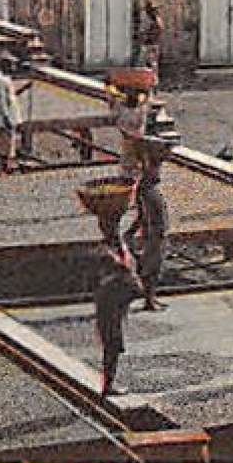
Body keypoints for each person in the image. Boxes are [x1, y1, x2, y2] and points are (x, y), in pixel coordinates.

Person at [95, 215, 143, 398]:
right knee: (112, 344)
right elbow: (116, 270)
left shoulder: (118, 246)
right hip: (109, 303)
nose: (115, 231)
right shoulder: (105, 252)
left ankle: (109, 384)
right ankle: (107, 386)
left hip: (117, 302)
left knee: (114, 343)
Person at [123, 135, 172, 312]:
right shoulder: (147, 189)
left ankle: (151, 297)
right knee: (151, 267)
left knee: (154, 266)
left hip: (155, 232)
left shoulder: (148, 188)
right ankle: (149, 300)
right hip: (154, 233)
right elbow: (146, 214)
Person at [0, 55, 30, 176]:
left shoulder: (5, 79)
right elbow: (1, 101)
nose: (13, 67)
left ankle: (4, 168)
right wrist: (6, 118)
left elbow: (10, 95)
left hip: (9, 116)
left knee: (8, 145)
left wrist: (24, 87)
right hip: (3, 119)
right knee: (2, 145)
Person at [136, 1, 164, 73]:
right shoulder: (147, 17)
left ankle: (152, 78)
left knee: (152, 62)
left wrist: (148, 33)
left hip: (152, 42)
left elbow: (159, 30)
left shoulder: (156, 19)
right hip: (148, 42)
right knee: (144, 62)